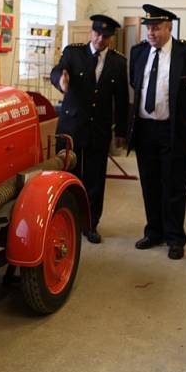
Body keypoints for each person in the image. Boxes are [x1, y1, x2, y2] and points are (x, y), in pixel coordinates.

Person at [128, 4, 186, 260]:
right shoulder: (138, 53)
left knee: (173, 185)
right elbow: (134, 83)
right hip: (145, 128)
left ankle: (175, 237)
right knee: (150, 183)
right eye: (148, 27)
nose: (151, 32)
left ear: (169, 28)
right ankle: (154, 231)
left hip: (173, 130)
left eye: (156, 27)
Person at [50, 14, 129, 243]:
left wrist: (121, 131)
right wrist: (60, 80)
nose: (99, 39)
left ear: (111, 38)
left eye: (105, 36)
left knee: (95, 179)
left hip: (99, 129)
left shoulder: (118, 62)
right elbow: (58, 70)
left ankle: (91, 223)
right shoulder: (73, 52)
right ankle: (67, 220)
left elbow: (122, 99)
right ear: (90, 33)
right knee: (68, 176)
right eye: (96, 33)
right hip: (71, 128)